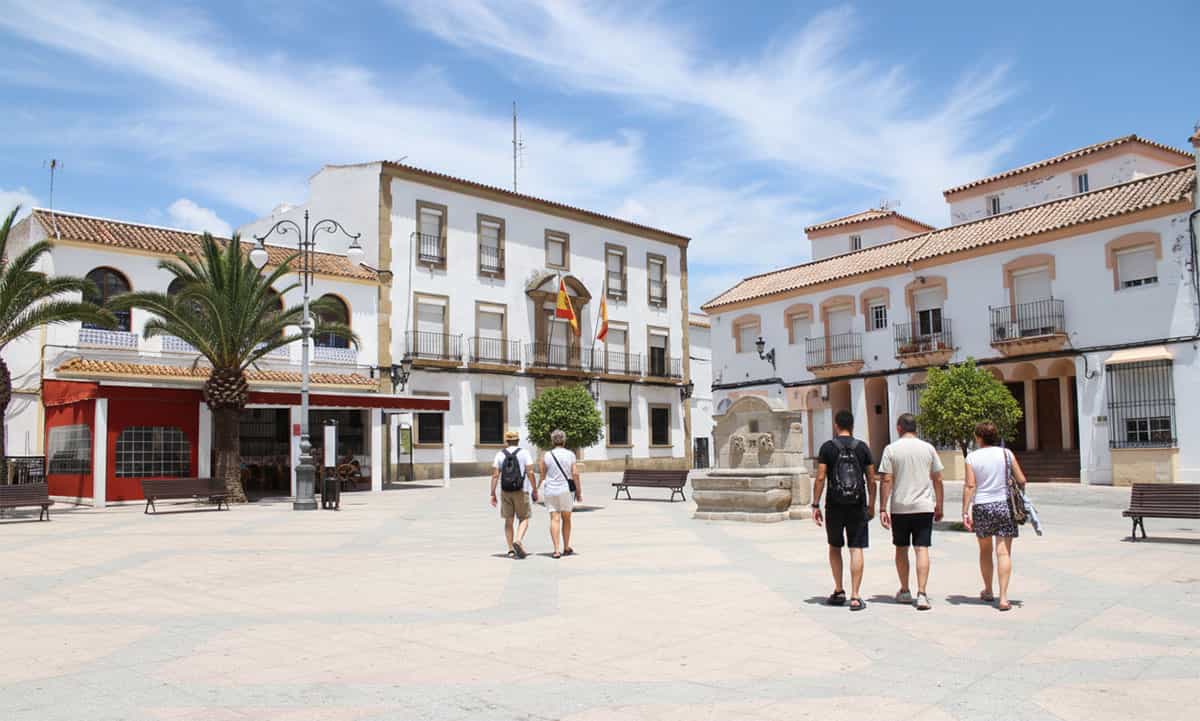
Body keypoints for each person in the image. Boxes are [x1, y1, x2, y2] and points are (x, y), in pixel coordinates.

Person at [877, 413, 944, 611]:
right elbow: (938, 478)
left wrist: (882, 507)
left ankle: (905, 590)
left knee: (901, 548)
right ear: (916, 428)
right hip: (924, 506)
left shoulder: (891, 449)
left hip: (900, 507)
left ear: (899, 428)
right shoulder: (928, 448)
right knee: (922, 548)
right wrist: (939, 504)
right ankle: (922, 593)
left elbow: (886, 480)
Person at [811, 410, 876, 611]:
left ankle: (839, 590)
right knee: (856, 548)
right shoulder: (863, 448)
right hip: (857, 505)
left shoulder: (828, 448)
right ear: (852, 426)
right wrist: (872, 504)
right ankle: (856, 596)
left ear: (836, 425)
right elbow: (871, 480)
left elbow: (821, 477)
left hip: (834, 505)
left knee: (835, 546)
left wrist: (815, 503)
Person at [962, 421, 1027, 611]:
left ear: (978, 437)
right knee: (1003, 552)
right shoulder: (1007, 454)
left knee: (984, 551)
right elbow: (1022, 479)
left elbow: (970, 486)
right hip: (1004, 505)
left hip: (982, 506)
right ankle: (1004, 598)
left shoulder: (972, 458)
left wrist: (965, 510)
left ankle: (988, 590)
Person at [490, 430, 537, 559]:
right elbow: (530, 472)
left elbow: (495, 475)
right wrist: (534, 489)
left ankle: (510, 549)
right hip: (521, 490)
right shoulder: (524, 453)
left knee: (508, 520)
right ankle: (518, 539)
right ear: (518, 440)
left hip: (505, 490)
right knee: (524, 518)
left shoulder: (500, 454)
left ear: (506, 441)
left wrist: (492, 493)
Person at [539, 428, 582, 559]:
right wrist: (579, 491)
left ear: (552, 441)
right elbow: (575, 473)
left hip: (551, 489)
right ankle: (566, 546)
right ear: (564, 440)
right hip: (566, 490)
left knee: (554, 518)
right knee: (567, 518)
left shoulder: (546, 455)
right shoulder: (570, 454)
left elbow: (542, 474)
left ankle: (556, 550)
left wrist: (537, 488)